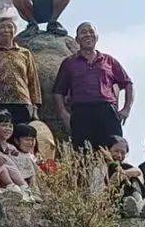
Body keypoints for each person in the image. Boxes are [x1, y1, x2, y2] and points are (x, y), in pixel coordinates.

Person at [52, 22, 133, 150]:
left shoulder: (109, 61)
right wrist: (64, 114)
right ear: (77, 39)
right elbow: (58, 91)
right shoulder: (69, 63)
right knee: (84, 153)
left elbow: (128, 83)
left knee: (113, 152)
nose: (88, 35)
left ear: (97, 37)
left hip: (107, 111)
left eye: (91, 31)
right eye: (83, 32)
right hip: (81, 112)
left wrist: (126, 109)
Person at [0, 17, 41, 125]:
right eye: (2, 27)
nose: (6, 30)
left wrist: (35, 106)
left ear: (15, 31)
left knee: (22, 136)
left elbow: (33, 79)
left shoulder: (25, 53)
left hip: (23, 101)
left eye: (10, 27)